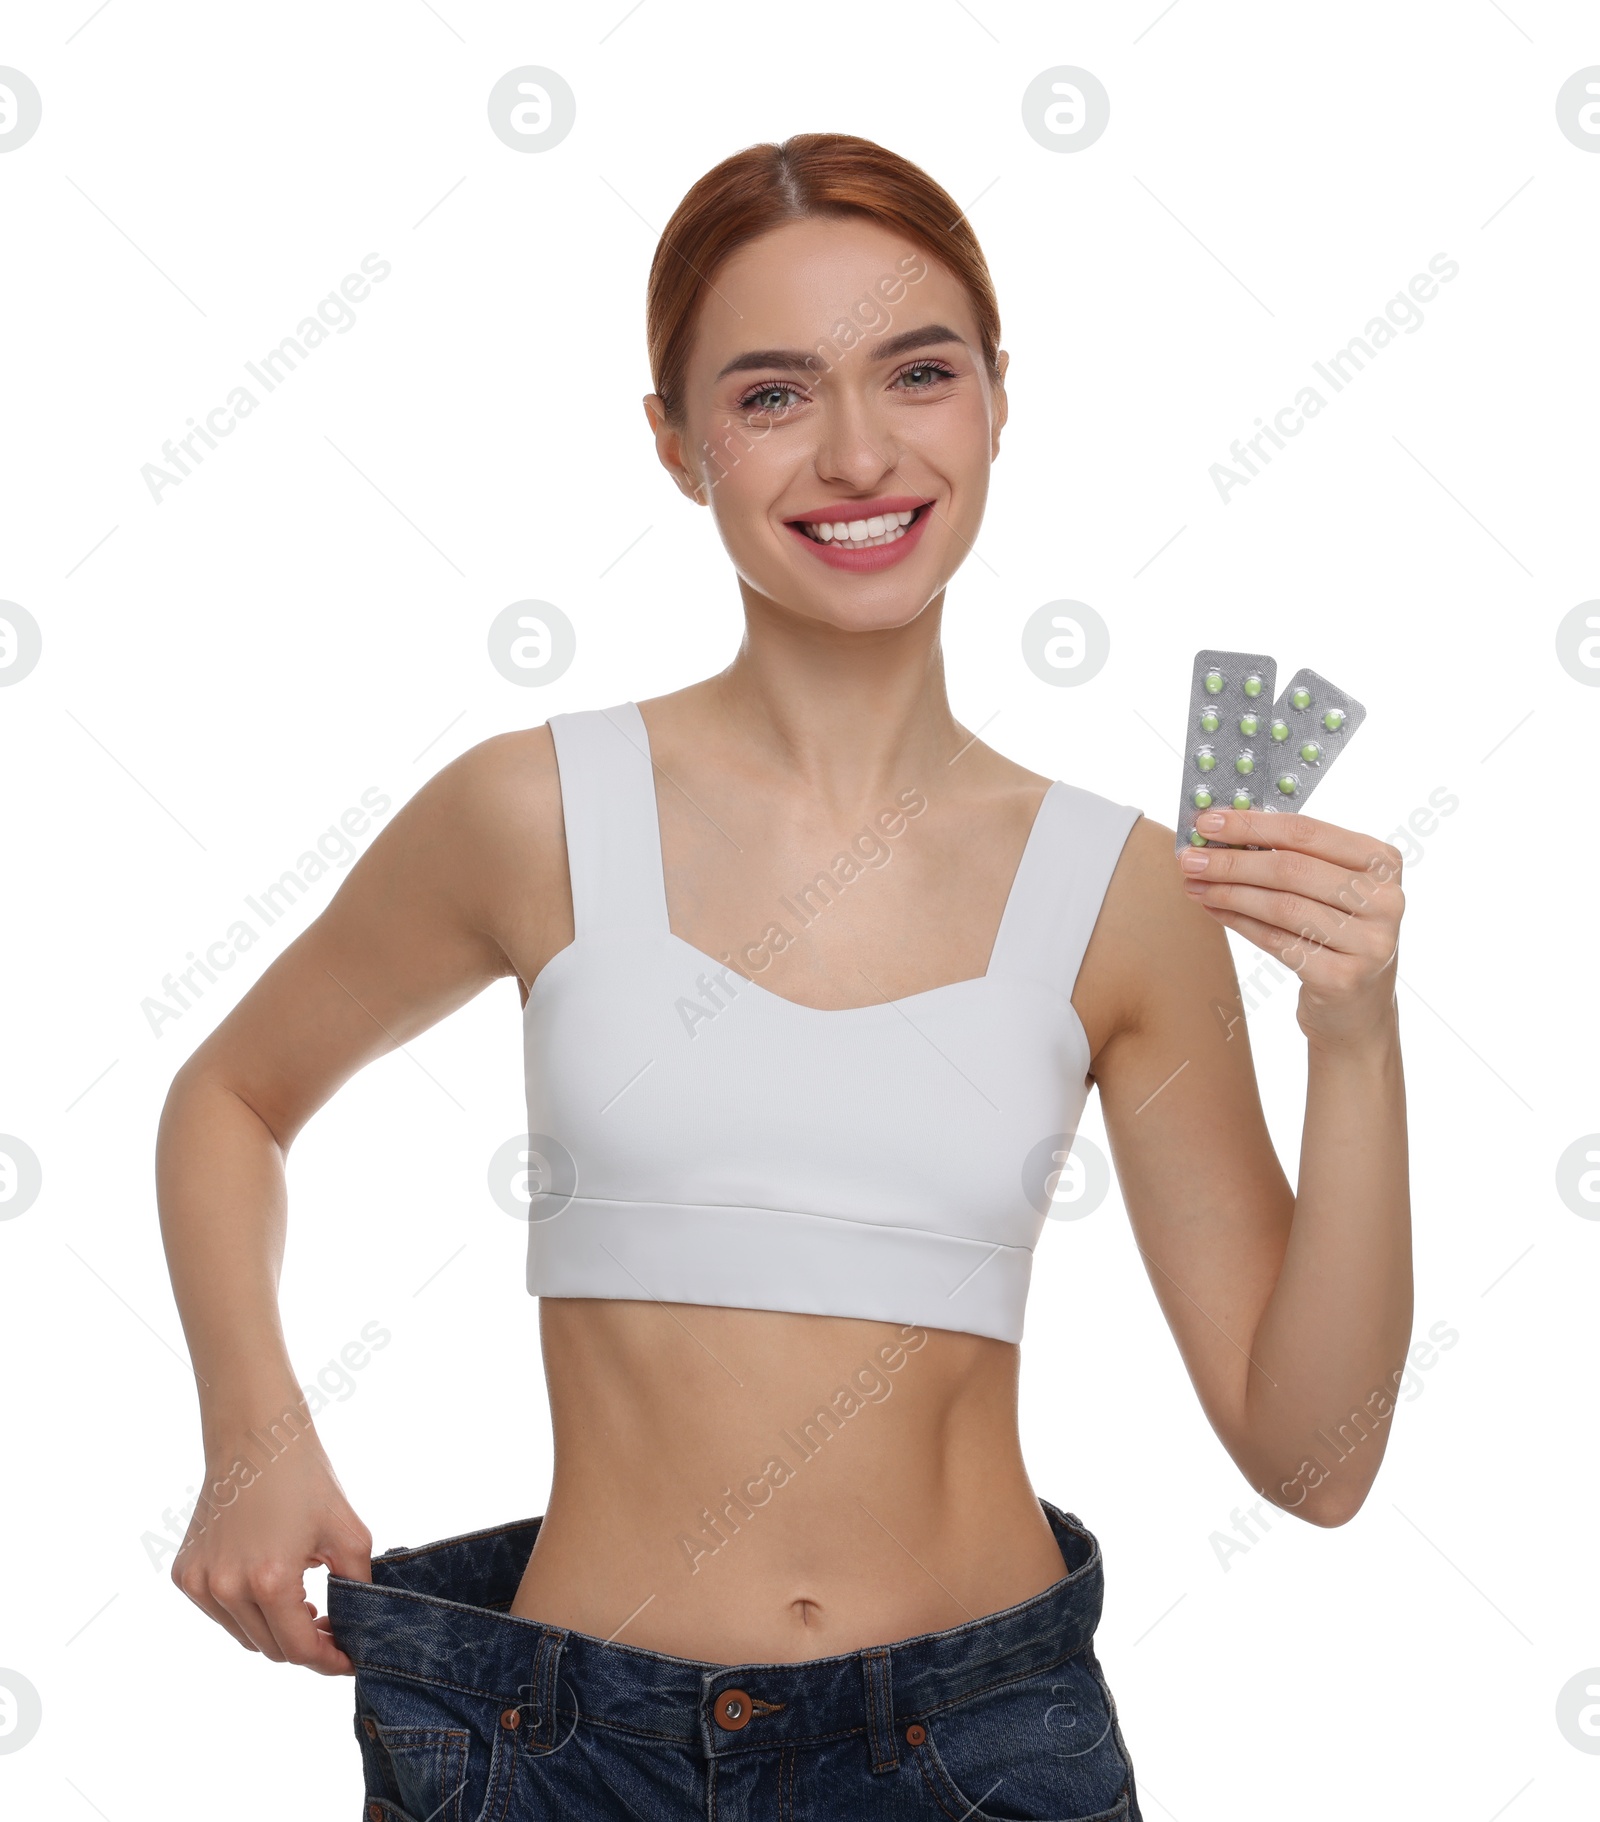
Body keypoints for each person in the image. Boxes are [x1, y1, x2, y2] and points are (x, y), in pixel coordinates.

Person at [156, 132, 1412, 1821]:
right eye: (770, 395)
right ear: (675, 444)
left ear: (997, 398)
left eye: (919, 372)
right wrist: (253, 1433)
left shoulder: (1117, 886)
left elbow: (1313, 1457)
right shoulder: (532, 811)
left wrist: (1357, 1033)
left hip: (978, 1751)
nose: (859, 451)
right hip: (562, 1756)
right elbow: (229, 1095)